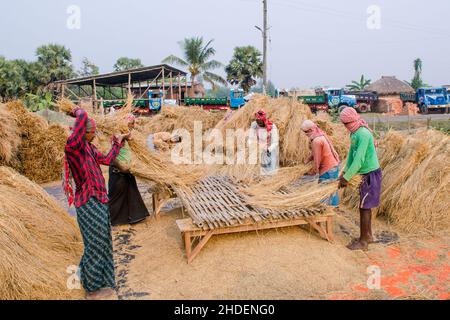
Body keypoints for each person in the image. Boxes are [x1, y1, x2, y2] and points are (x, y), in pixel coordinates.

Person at [63, 106, 128, 300]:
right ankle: (92, 290)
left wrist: (118, 143)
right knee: (95, 244)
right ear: (84, 132)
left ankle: (97, 280)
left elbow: (108, 160)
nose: (94, 135)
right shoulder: (73, 146)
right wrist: (76, 110)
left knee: (103, 241)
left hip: (99, 200)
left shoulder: (89, 148)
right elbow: (82, 116)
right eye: (92, 132)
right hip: (88, 203)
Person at [338, 107, 382, 251]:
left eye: (346, 124)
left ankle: (363, 242)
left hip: (370, 174)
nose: (345, 127)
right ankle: (367, 236)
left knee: (364, 208)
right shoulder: (354, 133)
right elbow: (351, 155)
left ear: (351, 121)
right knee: (364, 207)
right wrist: (345, 172)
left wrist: (347, 178)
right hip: (364, 174)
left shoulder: (363, 134)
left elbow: (359, 159)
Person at [108, 114, 150, 226]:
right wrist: (121, 167)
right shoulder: (117, 137)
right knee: (116, 197)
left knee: (131, 192)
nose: (133, 125)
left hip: (126, 170)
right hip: (118, 171)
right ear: (125, 124)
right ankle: (112, 220)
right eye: (131, 123)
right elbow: (111, 157)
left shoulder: (124, 138)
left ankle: (135, 217)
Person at [301, 120, 341, 206]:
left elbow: (317, 159)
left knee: (324, 191)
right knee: (332, 189)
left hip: (328, 168)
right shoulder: (320, 135)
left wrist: (314, 170)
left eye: (305, 132)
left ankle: (327, 210)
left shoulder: (316, 141)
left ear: (310, 130)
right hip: (333, 166)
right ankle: (334, 208)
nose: (305, 134)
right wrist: (307, 160)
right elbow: (315, 153)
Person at [249, 110, 279, 175]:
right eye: (257, 122)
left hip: (269, 147)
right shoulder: (254, 124)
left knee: (270, 168)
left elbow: (275, 142)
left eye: (260, 122)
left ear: (264, 120)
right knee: (258, 168)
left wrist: (268, 149)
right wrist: (251, 145)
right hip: (258, 147)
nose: (259, 124)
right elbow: (250, 137)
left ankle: (270, 176)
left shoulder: (272, 126)